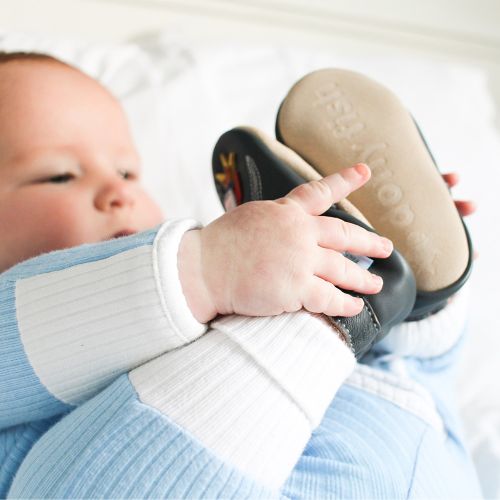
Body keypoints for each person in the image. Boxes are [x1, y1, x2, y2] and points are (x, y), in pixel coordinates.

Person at [0, 52, 481, 499]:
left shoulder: (251, 271)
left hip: (427, 441)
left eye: (128, 173)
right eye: (58, 175)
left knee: (408, 344)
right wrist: (205, 270)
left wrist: (422, 297)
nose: (116, 192)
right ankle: (333, 311)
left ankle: (394, 285)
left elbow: (423, 375)